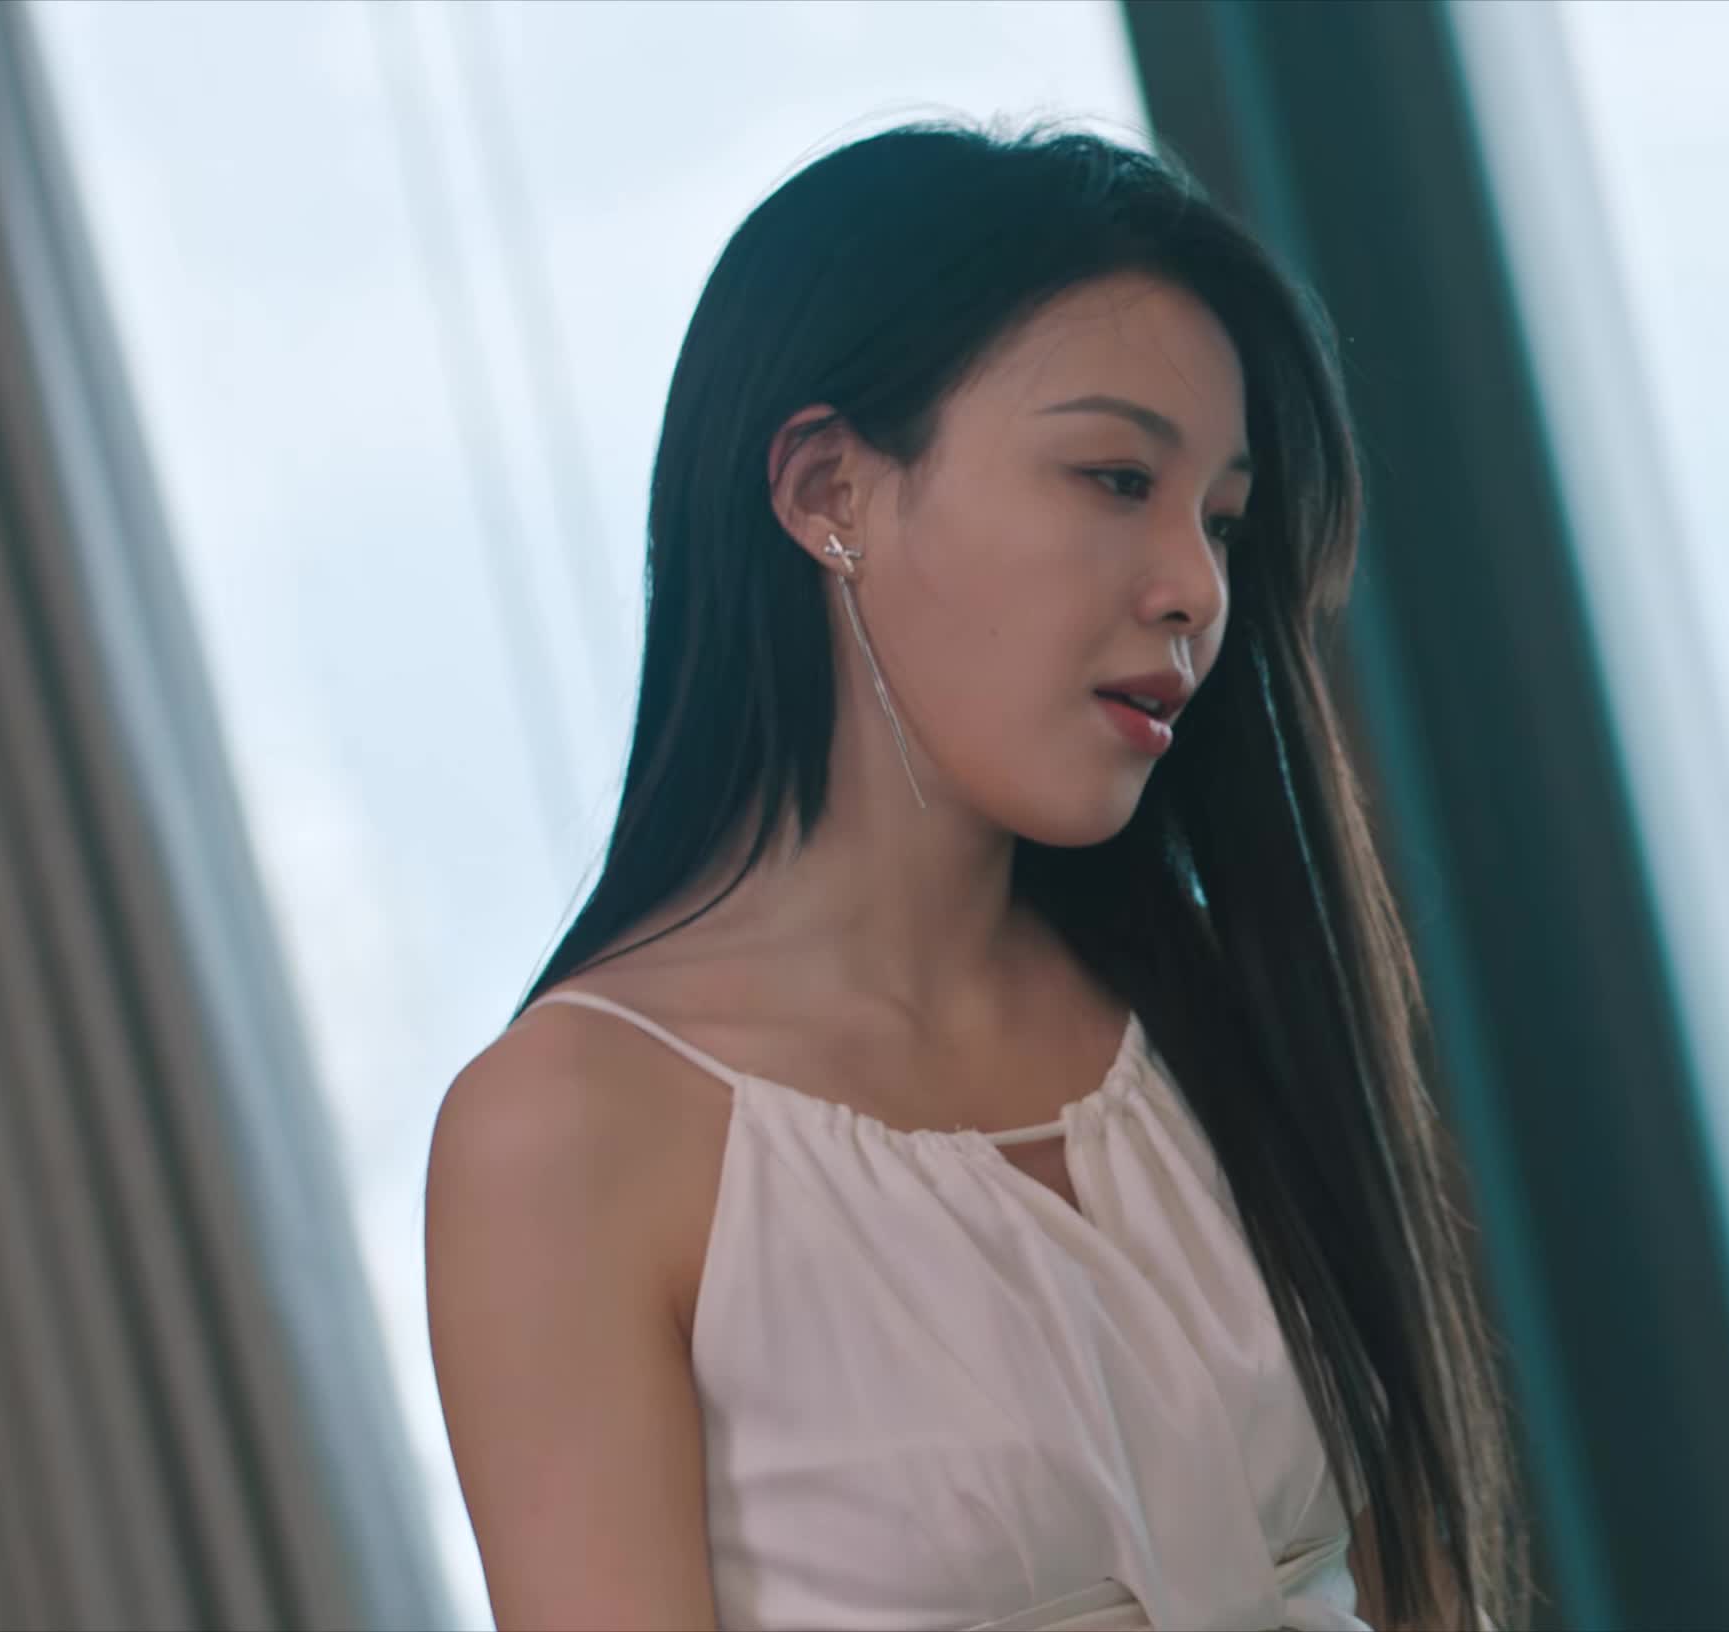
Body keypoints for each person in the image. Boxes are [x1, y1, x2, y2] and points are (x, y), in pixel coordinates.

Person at [423, 123, 1517, 1632]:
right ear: (829, 491)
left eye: (1221, 520)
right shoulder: (572, 1135)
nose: (1195, 587)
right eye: (1115, 477)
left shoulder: (1213, 1007)